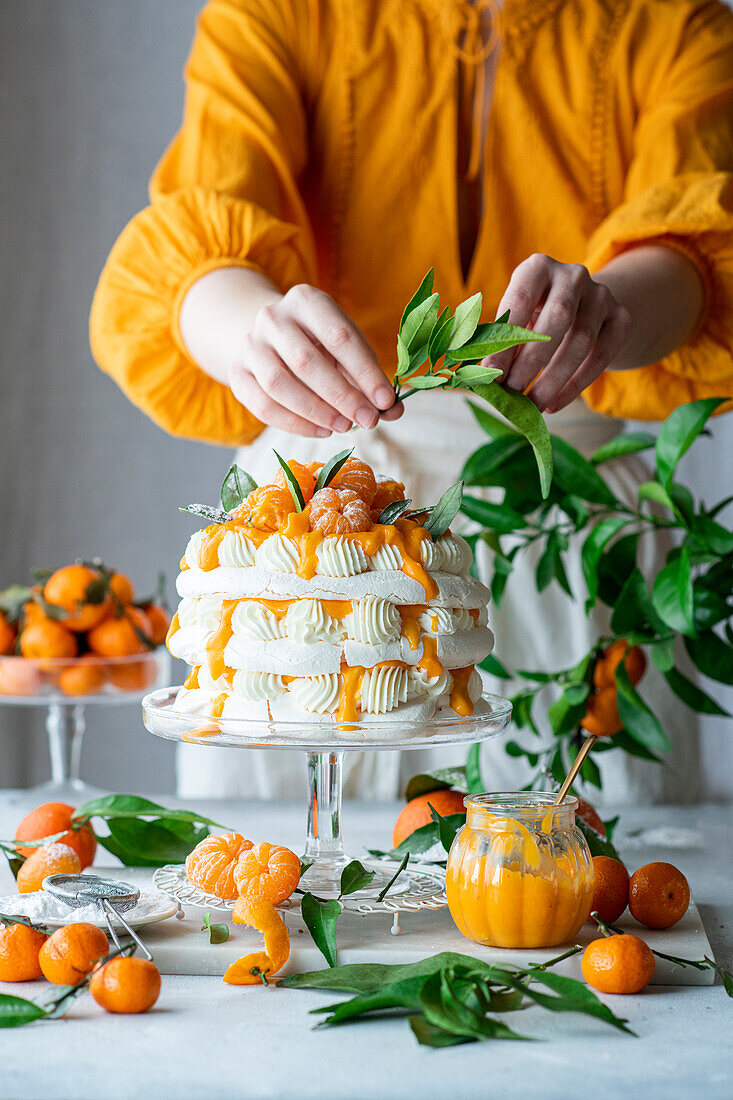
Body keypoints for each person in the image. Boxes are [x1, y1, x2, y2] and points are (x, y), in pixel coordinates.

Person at [91, 0, 733, 803]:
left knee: (573, 891)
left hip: (571, 520)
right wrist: (251, 331)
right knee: (279, 879)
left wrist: (605, 311)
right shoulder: (275, 12)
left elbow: (707, 249)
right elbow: (196, 236)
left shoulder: (676, 21)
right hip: (313, 539)